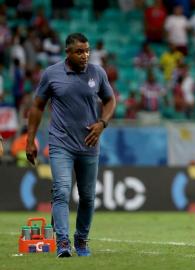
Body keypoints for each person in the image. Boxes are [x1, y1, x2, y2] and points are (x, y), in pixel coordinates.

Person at [26, 33, 116, 257]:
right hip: (60, 143)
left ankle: (82, 239)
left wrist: (102, 123)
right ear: (68, 52)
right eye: (79, 51)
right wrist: (30, 141)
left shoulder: (97, 73)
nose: (85, 55)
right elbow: (37, 106)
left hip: (89, 144)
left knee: (87, 197)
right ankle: (63, 242)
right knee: (62, 191)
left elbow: (110, 100)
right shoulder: (52, 74)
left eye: (87, 51)